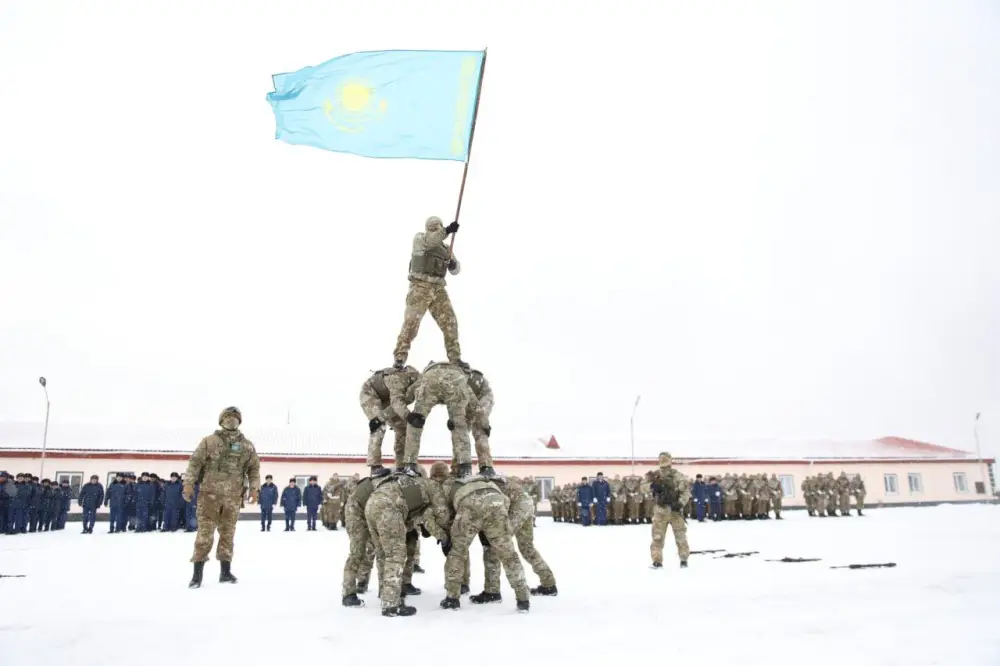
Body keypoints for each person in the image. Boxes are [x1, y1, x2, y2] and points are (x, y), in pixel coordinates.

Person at [183, 406, 261, 588]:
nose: (231, 420)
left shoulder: (246, 445)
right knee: (205, 535)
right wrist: (188, 483)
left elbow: (254, 468)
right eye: (228, 417)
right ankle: (197, 575)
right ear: (221, 420)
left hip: (233, 498)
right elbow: (195, 463)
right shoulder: (209, 441)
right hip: (209, 497)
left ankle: (225, 572)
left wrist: (254, 488)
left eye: (235, 417)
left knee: (227, 534)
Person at [365, 469, 450, 617]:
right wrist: (444, 537)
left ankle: (385, 593)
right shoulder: (433, 487)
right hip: (389, 509)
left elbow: (417, 516)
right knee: (395, 555)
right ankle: (391, 604)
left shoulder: (407, 483)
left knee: (383, 554)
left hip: (372, 504)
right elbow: (441, 515)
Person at [392, 216, 467, 369]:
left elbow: (456, 270)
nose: (435, 230)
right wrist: (446, 230)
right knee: (411, 323)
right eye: (432, 228)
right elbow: (431, 240)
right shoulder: (420, 239)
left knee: (450, 323)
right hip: (420, 287)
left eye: (437, 227)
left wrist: (452, 264)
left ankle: (455, 358)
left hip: (438, 289)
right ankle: (400, 356)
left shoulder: (446, 249)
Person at [402, 361, 478, 477]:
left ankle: (409, 465)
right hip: (456, 377)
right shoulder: (462, 377)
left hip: (430, 376)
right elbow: (475, 407)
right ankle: (465, 469)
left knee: (416, 422)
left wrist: (407, 414)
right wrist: (468, 422)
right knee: (459, 424)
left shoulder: (425, 374)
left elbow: (407, 397)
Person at [360, 366, 420, 475]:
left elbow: (398, 404)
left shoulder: (416, 387)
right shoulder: (399, 379)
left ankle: (401, 466)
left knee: (403, 428)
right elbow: (397, 404)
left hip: (388, 399)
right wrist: (409, 416)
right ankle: (375, 466)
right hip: (370, 393)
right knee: (378, 425)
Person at [649, 452, 691, 569]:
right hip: (660, 511)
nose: (664, 465)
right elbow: (643, 486)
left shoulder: (678, 476)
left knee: (680, 537)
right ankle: (657, 561)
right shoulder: (654, 475)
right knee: (657, 538)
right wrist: (652, 486)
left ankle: (683, 560)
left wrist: (680, 503)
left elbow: (686, 492)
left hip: (675, 512)